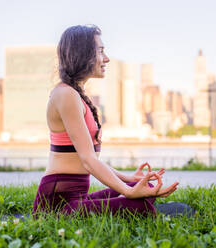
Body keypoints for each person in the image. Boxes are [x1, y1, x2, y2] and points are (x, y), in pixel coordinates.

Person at [32, 25, 179, 217]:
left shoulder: (75, 93)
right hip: (56, 206)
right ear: (82, 54)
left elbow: (90, 158)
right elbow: (88, 160)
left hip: (77, 199)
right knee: (139, 205)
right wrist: (128, 191)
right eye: (101, 51)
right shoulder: (65, 94)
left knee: (144, 187)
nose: (107, 58)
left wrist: (129, 179)